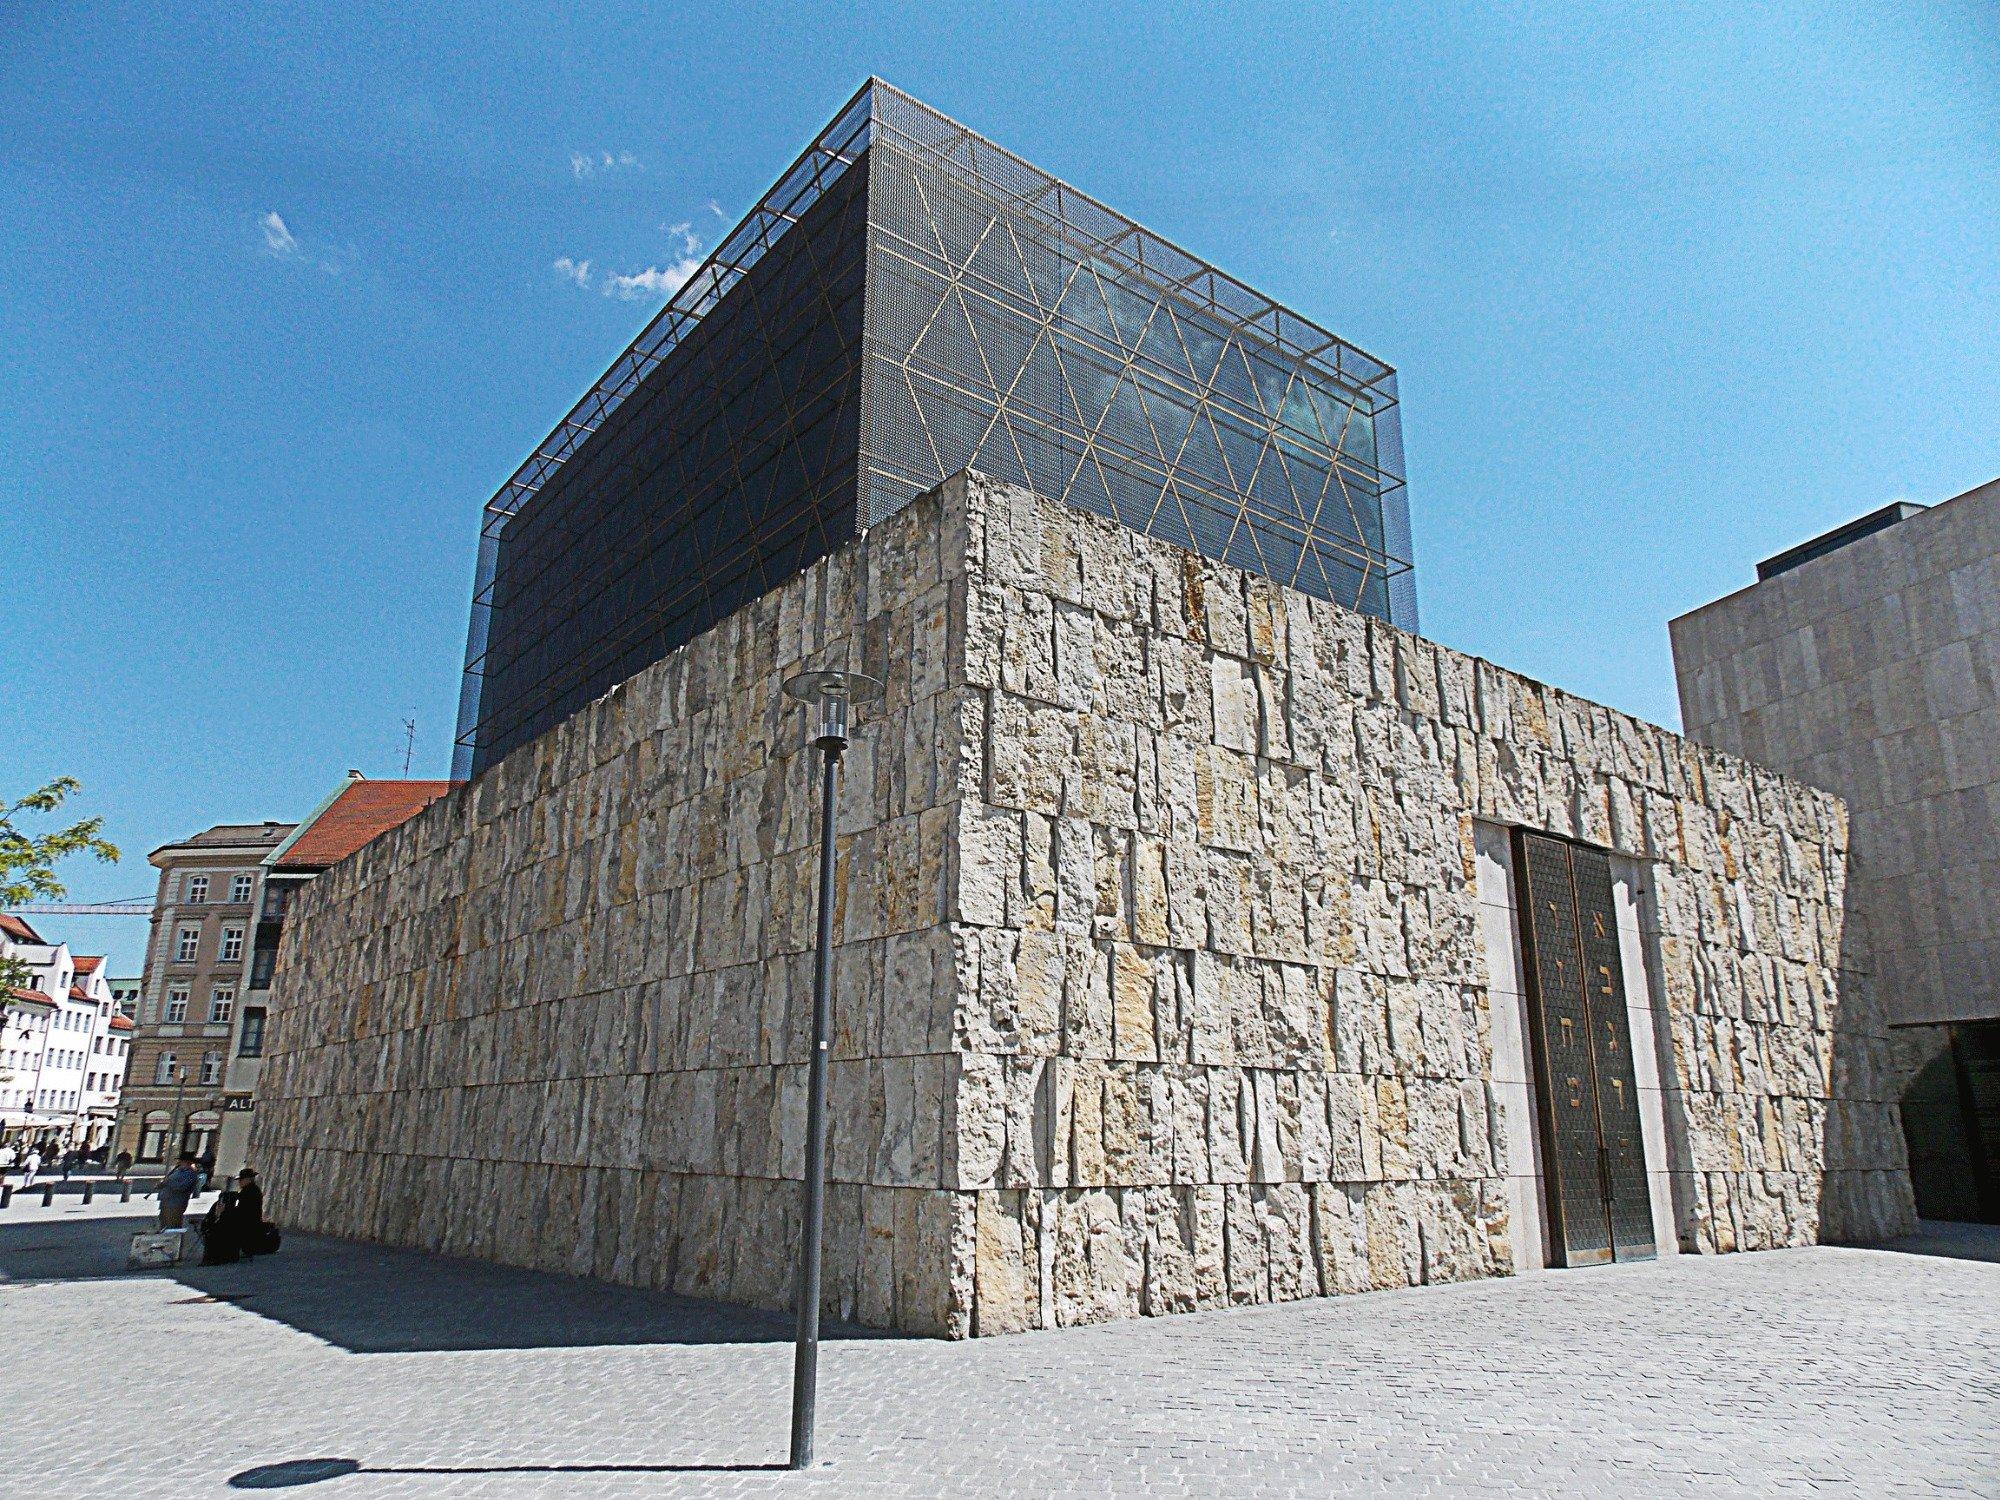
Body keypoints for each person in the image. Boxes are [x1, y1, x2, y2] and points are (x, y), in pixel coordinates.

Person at [156, 1152, 201, 1230]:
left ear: (187, 1162)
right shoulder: (177, 1171)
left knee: (172, 1228)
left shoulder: (191, 1174)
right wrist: (161, 1185)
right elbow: (168, 1183)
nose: (179, 1163)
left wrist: (168, 1182)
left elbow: (181, 1187)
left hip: (176, 1204)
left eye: (181, 1161)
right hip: (166, 1203)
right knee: (163, 1227)